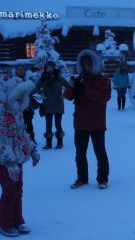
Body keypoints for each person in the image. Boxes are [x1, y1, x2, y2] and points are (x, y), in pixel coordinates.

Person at [0, 75, 40, 237]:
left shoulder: (16, 110)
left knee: (18, 189)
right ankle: (5, 223)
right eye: (18, 95)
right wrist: (10, 162)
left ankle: (17, 220)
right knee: (9, 189)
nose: (21, 99)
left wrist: (33, 150)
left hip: (17, 157)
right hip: (2, 159)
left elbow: (22, 133)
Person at [64, 50, 111, 190]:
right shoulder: (79, 79)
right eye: (84, 65)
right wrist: (71, 86)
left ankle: (102, 179)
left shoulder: (102, 80)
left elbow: (104, 97)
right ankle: (82, 178)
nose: (86, 67)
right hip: (80, 123)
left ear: (94, 65)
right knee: (80, 153)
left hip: (97, 122)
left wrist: (86, 89)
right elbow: (68, 96)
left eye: (89, 65)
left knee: (100, 153)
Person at [34, 61, 70, 150]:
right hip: (47, 104)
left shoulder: (58, 77)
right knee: (48, 125)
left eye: (51, 67)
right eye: (47, 67)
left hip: (58, 103)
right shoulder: (43, 77)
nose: (49, 69)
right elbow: (36, 88)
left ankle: (60, 142)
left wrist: (64, 94)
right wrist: (41, 92)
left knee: (58, 124)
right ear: (45, 68)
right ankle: (48, 143)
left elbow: (68, 86)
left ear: (54, 68)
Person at [14, 64, 38, 143]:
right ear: (16, 71)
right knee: (19, 123)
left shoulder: (28, 80)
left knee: (29, 122)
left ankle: (31, 139)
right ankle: (21, 139)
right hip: (17, 106)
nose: (20, 71)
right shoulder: (13, 81)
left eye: (22, 69)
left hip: (27, 106)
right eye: (19, 69)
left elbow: (31, 93)